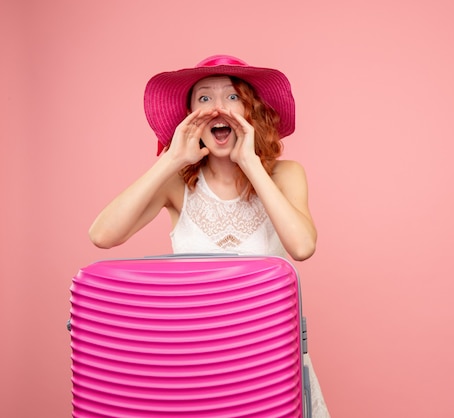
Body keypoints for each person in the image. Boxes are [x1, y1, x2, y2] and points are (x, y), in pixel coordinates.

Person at [89, 54, 330, 417]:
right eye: (204, 99)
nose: (219, 109)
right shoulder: (177, 184)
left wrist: (249, 161)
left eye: (233, 97)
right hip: (196, 369)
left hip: (270, 366)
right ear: (190, 120)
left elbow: (302, 246)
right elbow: (102, 235)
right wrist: (171, 160)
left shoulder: (285, 174)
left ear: (252, 112)